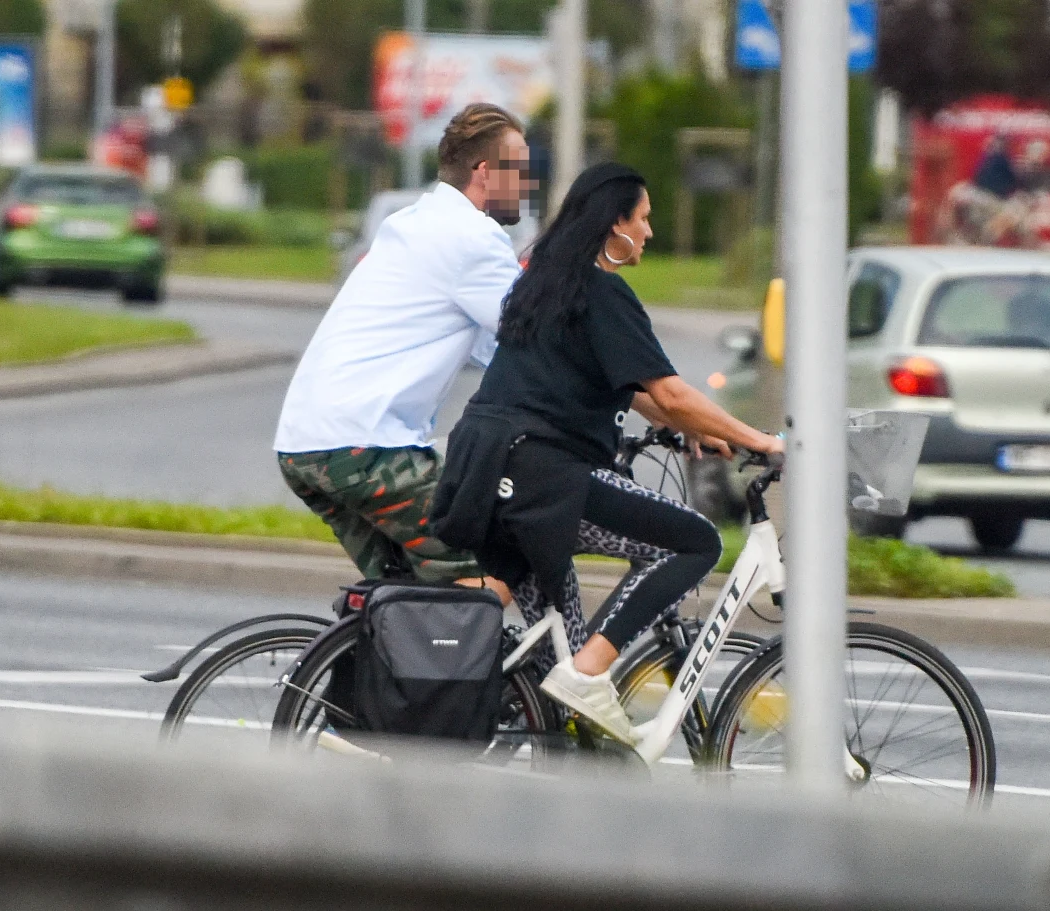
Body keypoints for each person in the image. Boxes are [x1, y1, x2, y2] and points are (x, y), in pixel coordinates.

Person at [431, 163, 785, 745]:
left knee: (558, 657)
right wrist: (758, 441)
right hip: (541, 473)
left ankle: (471, 722)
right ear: (613, 223)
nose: (648, 232)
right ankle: (590, 672)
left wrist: (686, 424)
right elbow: (670, 391)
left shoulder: (543, 283)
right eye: (642, 219)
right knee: (693, 541)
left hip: (485, 468)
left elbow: (628, 387)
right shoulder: (603, 292)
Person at [274, 103, 534, 598]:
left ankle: (375, 674)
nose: (527, 184)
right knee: (501, 563)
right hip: (365, 446)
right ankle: (476, 670)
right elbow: (539, 341)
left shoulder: (415, 222)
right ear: (485, 172)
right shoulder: (474, 238)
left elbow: (495, 348)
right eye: (520, 170)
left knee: (407, 599)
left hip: (304, 445)